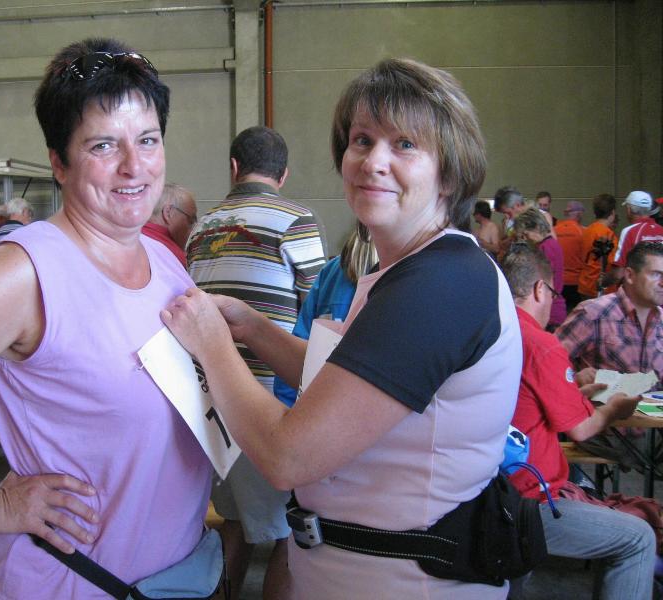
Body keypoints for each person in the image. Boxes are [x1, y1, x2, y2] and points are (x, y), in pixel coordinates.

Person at [0, 38, 213, 599]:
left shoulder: (164, 261)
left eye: (148, 139)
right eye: (103, 145)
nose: (134, 166)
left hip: (171, 578)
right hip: (71, 583)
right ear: (59, 163)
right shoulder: (24, 274)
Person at [164, 58, 522, 599]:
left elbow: (288, 456)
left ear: (449, 172)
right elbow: (343, 384)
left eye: (405, 144)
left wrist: (212, 347)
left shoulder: (440, 284)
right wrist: (253, 328)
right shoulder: (407, 272)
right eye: (362, 140)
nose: (373, 162)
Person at [186, 125, 326, 600]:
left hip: (208, 399)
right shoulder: (295, 220)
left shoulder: (201, 227)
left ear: (234, 168)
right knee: (290, 535)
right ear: (282, 175)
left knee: (234, 521)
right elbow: (318, 310)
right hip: (267, 401)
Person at [500, 245, 655, 600]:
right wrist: (614, 409)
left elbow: (527, 401)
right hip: (530, 497)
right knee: (639, 537)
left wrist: (574, 389)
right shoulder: (541, 344)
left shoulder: (493, 331)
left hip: (494, 490)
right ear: (540, 289)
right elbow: (581, 429)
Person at [272, 221, 377, 407]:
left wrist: (287, 410)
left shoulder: (332, 272)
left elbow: (295, 356)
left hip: (317, 407)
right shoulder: (333, 272)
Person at [557, 241, 663, 383]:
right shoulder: (594, 313)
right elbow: (548, 363)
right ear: (630, 275)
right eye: (656, 274)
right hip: (600, 397)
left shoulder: (661, 320)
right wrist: (576, 379)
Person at [513, 208, 566, 329]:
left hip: (550, 310)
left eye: (526, 234)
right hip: (553, 307)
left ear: (536, 227)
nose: (525, 239)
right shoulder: (551, 244)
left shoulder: (545, 248)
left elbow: (543, 280)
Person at [608, 190, 663, 284]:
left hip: (638, 288)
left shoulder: (629, 231)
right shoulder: (661, 229)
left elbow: (618, 274)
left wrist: (602, 283)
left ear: (629, 210)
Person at [141, 182, 197, 267]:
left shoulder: (127, 239)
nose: (193, 229)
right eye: (191, 220)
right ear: (168, 212)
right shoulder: (169, 254)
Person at [578, 193, 618, 300]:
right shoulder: (609, 235)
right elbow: (612, 264)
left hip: (585, 284)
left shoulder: (587, 231)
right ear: (612, 212)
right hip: (601, 288)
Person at [554, 200, 586, 312]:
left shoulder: (554, 230)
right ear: (579, 214)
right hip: (577, 283)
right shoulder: (583, 232)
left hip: (558, 281)